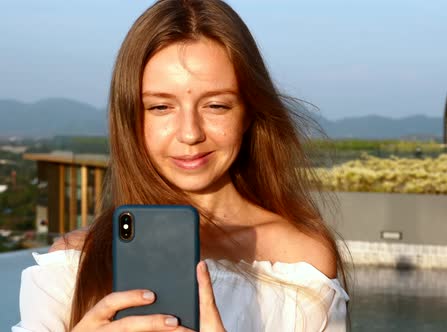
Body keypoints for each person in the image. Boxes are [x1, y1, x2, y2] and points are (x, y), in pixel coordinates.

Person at [12, 0, 349, 331]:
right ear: (130, 118)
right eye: (160, 107)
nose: (190, 133)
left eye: (216, 105)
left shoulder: (301, 261)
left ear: (248, 112)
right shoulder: (73, 265)